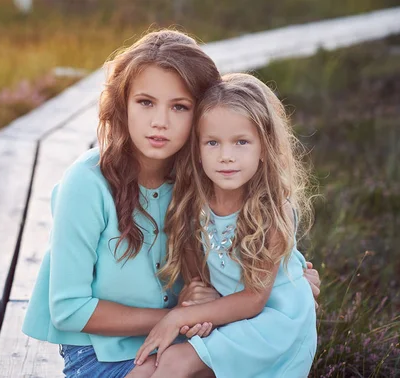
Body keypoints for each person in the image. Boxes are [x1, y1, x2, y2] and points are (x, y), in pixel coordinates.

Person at [22, 30, 321, 378]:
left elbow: (245, 252)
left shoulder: (200, 179)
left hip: (186, 338)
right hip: (103, 355)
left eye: (179, 107)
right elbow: (68, 309)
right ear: (123, 104)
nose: (160, 122)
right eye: (145, 102)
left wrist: (292, 278)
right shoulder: (87, 183)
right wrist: (177, 314)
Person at [134, 73, 318, 378]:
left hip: (276, 324)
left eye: (241, 142)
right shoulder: (193, 203)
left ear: (264, 148)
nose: (226, 157)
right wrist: (196, 300)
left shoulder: (273, 209)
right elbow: (200, 276)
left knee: (175, 361)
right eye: (213, 143)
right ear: (197, 148)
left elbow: (254, 299)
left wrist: (178, 318)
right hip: (230, 317)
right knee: (147, 368)